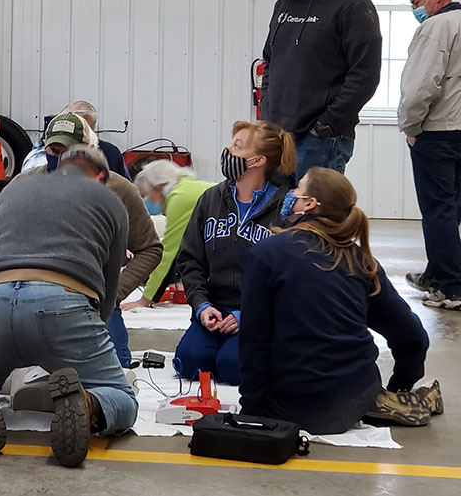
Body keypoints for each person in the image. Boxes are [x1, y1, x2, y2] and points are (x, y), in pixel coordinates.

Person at [0, 146, 136, 468]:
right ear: (101, 176)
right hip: (62, 302)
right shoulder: (110, 199)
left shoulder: (15, 187)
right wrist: (92, 332)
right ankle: (88, 403)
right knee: (121, 397)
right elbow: (109, 283)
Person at [239, 168, 436, 433]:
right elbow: (412, 336)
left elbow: (254, 340)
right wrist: (400, 384)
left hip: (295, 406)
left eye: (297, 188)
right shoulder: (362, 261)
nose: (290, 194)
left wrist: (252, 412)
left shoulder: (268, 253)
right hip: (357, 396)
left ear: (309, 204)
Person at [22, 113, 162, 367]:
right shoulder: (25, 187)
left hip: (93, 297)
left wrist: (115, 291)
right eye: (54, 150)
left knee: (114, 367)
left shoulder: (119, 190)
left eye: (70, 151)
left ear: (89, 150)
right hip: (37, 295)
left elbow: (150, 249)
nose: (62, 159)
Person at [174, 121, 296, 385]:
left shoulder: (284, 211)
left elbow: (291, 280)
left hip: (258, 316)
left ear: (257, 160)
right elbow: (190, 260)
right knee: (189, 362)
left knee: (232, 367)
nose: (227, 150)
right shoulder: (210, 199)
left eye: (237, 146)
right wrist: (201, 306)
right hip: (215, 310)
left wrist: (249, 315)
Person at [261, 0, 382, 181]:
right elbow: (270, 60)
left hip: (320, 142)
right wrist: (267, 114)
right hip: (279, 138)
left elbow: (365, 76)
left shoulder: (353, 5)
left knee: (315, 221)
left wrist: (325, 126)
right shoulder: (286, 1)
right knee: (278, 220)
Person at [398, 0, 461, 310]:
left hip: (438, 132)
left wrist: (410, 126)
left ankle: (451, 287)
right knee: (453, 210)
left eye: (416, 3)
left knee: (438, 211)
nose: (415, 10)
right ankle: (437, 274)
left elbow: (421, 85)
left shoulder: (436, 27)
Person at [121, 160, 213, 310]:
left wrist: (145, 300)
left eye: (148, 195)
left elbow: (168, 254)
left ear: (158, 188)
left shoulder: (180, 198)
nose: (148, 202)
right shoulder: (189, 187)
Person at [62, 101, 131, 179]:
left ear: (94, 125)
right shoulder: (53, 151)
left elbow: (125, 186)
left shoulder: (110, 152)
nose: (82, 135)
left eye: (86, 129)